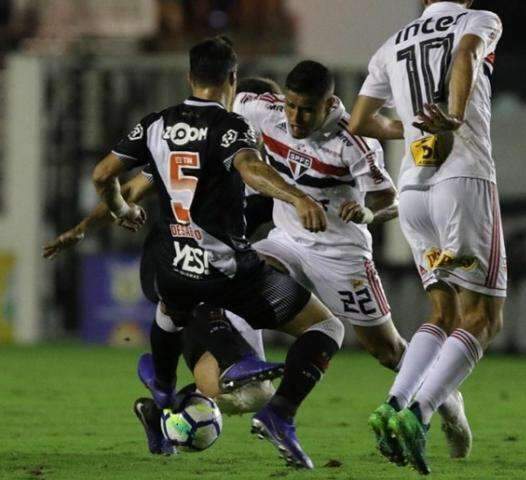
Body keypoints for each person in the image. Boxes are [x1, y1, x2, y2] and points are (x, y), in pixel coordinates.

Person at [90, 37, 344, 469]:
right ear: (232, 77)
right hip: (227, 272)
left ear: (189, 78)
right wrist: (298, 197)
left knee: (172, 313)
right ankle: (279, 414)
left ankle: (165, 398)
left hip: (174, 267)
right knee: (327, 329)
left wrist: (120, 208)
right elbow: (251, 168)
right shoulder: (230, 127)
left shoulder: (156, 124)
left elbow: (102, 173)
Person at [349, 0, 504, 474]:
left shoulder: (391, 44)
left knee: (443, 311)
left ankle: (395, 404)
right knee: (482, 317)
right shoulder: (478, 20)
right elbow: (466, 55)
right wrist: (453, 117)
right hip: (463, 182)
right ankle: (419, 414)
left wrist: (406, 127)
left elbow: (359, 122)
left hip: (414, 188)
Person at [233, 60, 407, 371]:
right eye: (291, 105)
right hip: (286, 241)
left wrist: (368, 213)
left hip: (340, 253)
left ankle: (447, 400)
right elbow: (221, 100)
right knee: (236, 281)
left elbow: (390, 200)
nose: (295, 118)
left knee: (386, 350)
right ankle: (253, 374)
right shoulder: (266, 111)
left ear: (329, 104)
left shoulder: (354, 143)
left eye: (307, 110)